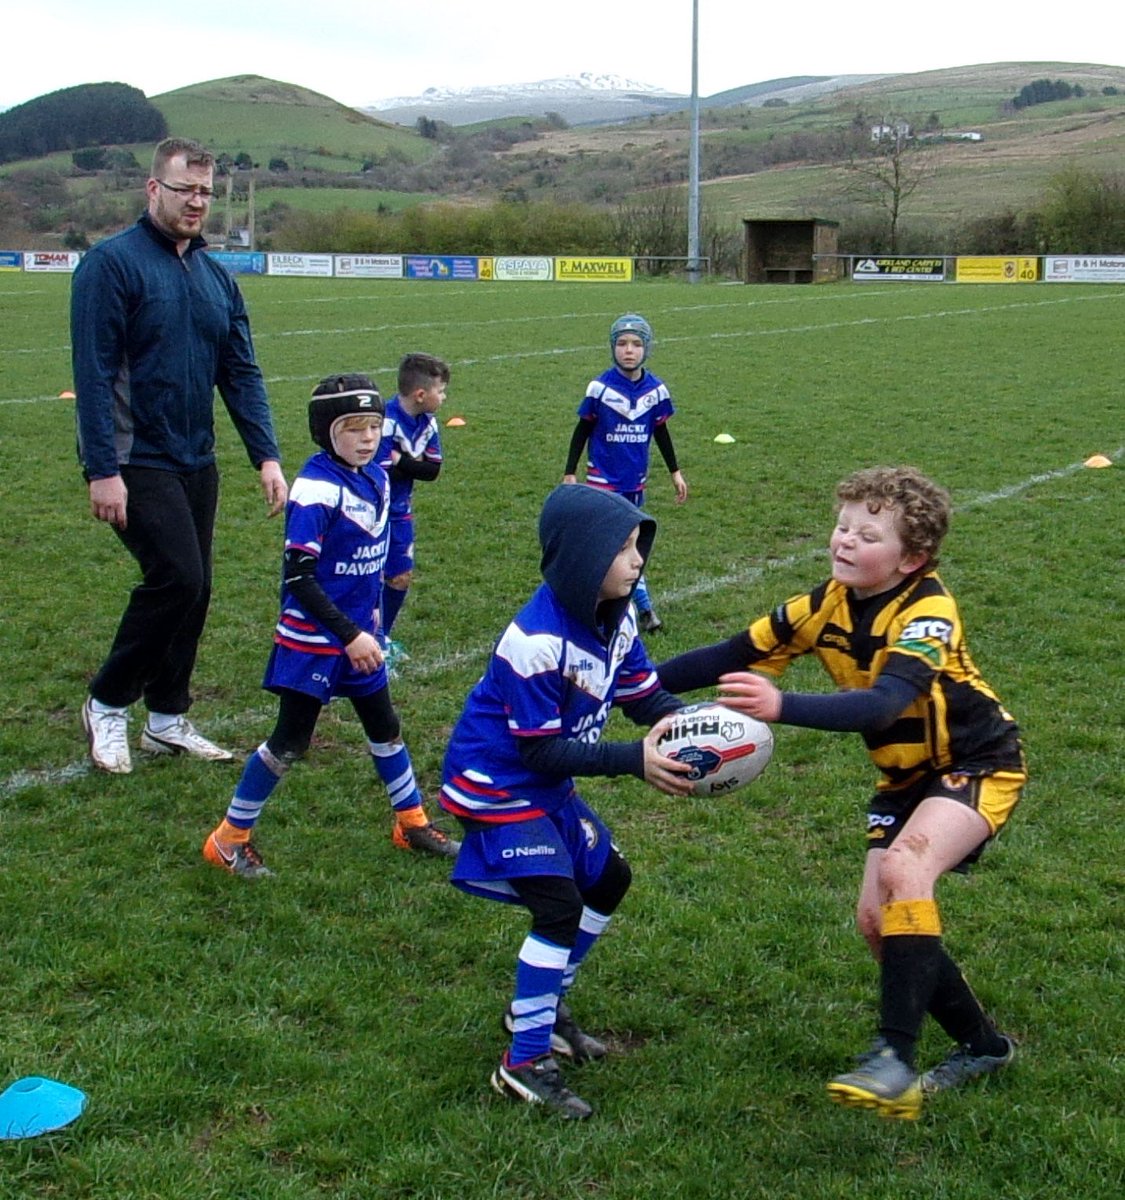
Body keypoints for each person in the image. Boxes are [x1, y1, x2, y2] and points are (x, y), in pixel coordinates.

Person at [658, 466, 1026, 1121]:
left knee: (906, 867)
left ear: (911, 558)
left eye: (868, 534)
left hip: (977, 761)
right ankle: (983, 1046)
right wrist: (622, 687)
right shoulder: (825, 602)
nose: (845, 540)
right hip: (903, 778)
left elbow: (882, 704)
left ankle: (893, 1058)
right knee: (877, 922)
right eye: (842, 526)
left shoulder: (928, 611)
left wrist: (781, 705)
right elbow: (730, 652)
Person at [439, 483, 694, 1118]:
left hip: (543, 783)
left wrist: (696, 727)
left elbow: (643, 694)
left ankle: (543, 1010)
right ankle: (523, 1060)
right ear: (582, 558)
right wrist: (633, 760)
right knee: (557, 908)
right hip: (495, 784)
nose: (638, 560)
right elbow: (540, 753)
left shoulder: (619, 616)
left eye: (638, 545)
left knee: (609, 880)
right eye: (623, 548)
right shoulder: (535, 641)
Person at [72, 136, 288, 775]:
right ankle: (107, 701)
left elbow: (240, 372)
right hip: (133, 456)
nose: (196, 202)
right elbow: (94, 374)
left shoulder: (216, 277)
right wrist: (102, 470)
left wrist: (266, 455)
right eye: (184, 189)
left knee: (197, 590)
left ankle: (167, 718)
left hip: (197, 457)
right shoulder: (111, 265)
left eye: (205, 192)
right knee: (177, 579)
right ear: (153, 189)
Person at [202, 374, 458, 879]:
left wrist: (372, 625)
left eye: (374, 426)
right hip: (315, 640)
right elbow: (299, 578)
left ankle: (411, 823)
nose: (368, 437)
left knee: (385, 727)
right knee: (290, 740)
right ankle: (227, 840)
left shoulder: (378, 476)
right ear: (326, 432)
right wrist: (350, 634)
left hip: (359, 637)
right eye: (353, 428)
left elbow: (370, 564)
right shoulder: (316, 489)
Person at [563, 313, 687, 634]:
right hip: (602, 481)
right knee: (610, 545)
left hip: (635, 483)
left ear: (647, 348)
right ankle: (639, 609)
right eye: (621, 343)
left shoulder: (656, 391)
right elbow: (582, 429)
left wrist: (675, 472)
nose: (628, 350)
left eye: (635, 344)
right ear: (612, 347)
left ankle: (616, 606)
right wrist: (570, 472)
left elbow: (661, 432)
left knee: (625, 546)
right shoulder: (600, 388)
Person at [374, 352, 449, 672]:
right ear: (421, 394)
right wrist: (409, 464)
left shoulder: (428, 423)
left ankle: (382, 638)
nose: (443, 398)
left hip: (401, 511)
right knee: (369, 580)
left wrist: (400, 460)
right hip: (372, 513)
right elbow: (379, 471)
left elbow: (432, 470)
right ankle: (368, 643)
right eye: (440, 391)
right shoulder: (384, 421)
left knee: (401, 576)